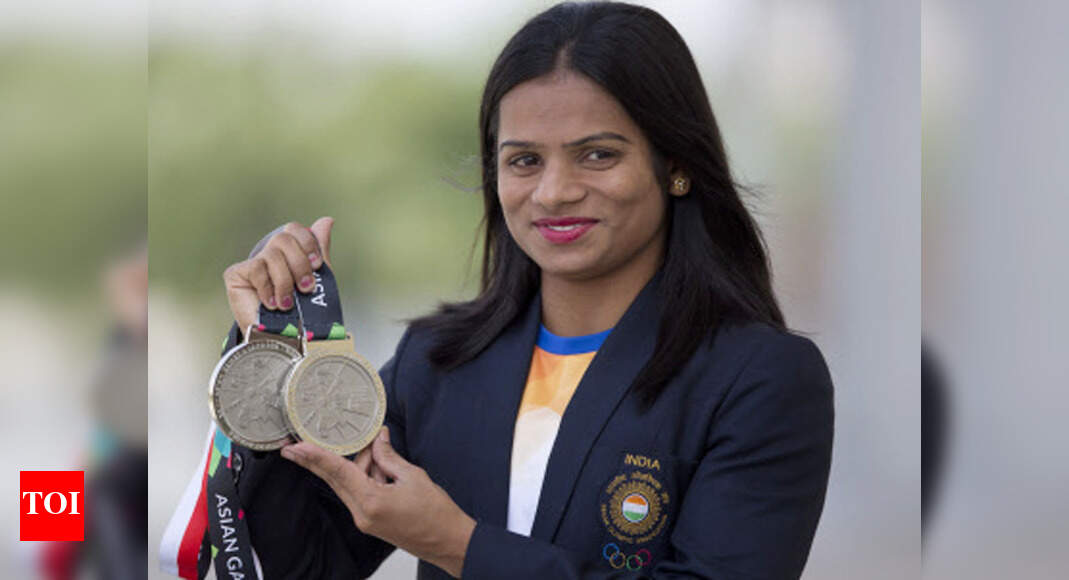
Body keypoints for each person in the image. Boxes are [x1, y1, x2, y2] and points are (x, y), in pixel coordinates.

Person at [162, 2, 834, 578]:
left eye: (597, 154)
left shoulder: (760, 380)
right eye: (524, 160)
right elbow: (298, 567)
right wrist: (275, 356)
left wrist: (458, 546)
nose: (554, 192)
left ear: (675, 165)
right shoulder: (438, 362)